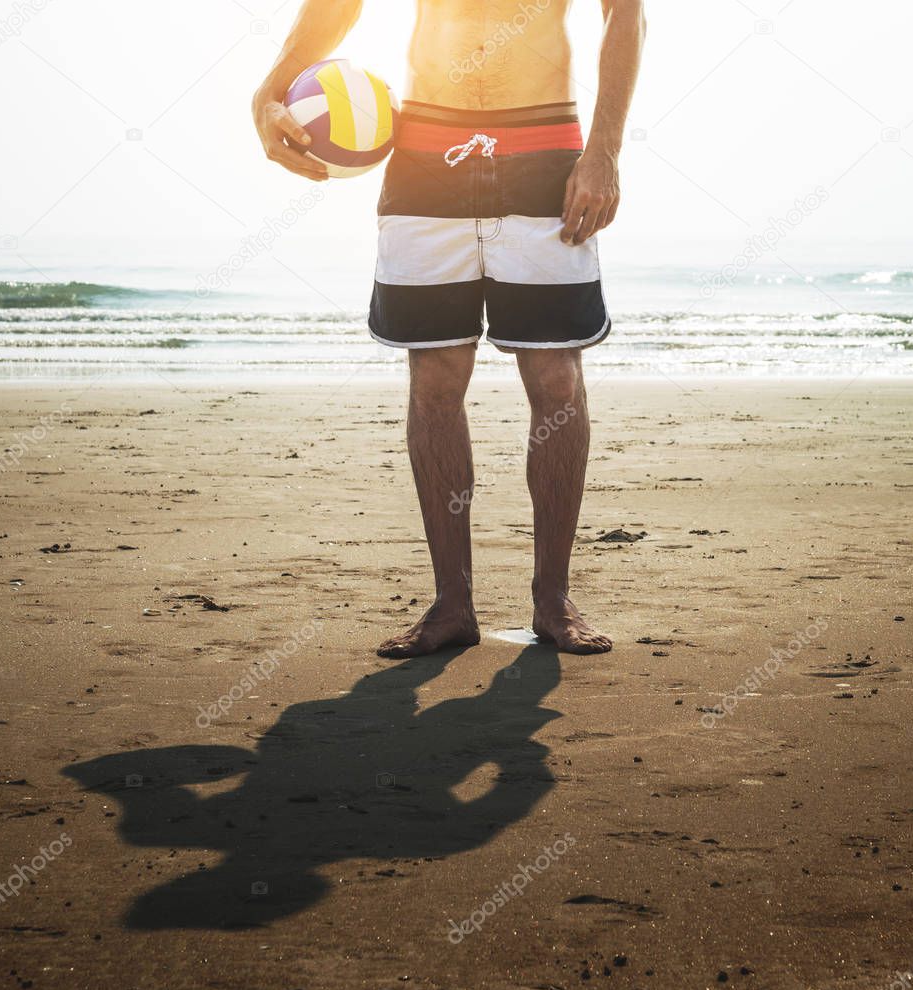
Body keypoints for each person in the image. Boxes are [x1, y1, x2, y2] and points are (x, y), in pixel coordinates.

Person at [253, 0, 646, 656]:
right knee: (435, 377)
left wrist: (603, 149)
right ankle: (451, 604)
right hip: (426, 155)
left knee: (555, 374)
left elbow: (625, 11)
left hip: (545, 150)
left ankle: (553, 599)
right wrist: (267, 92)